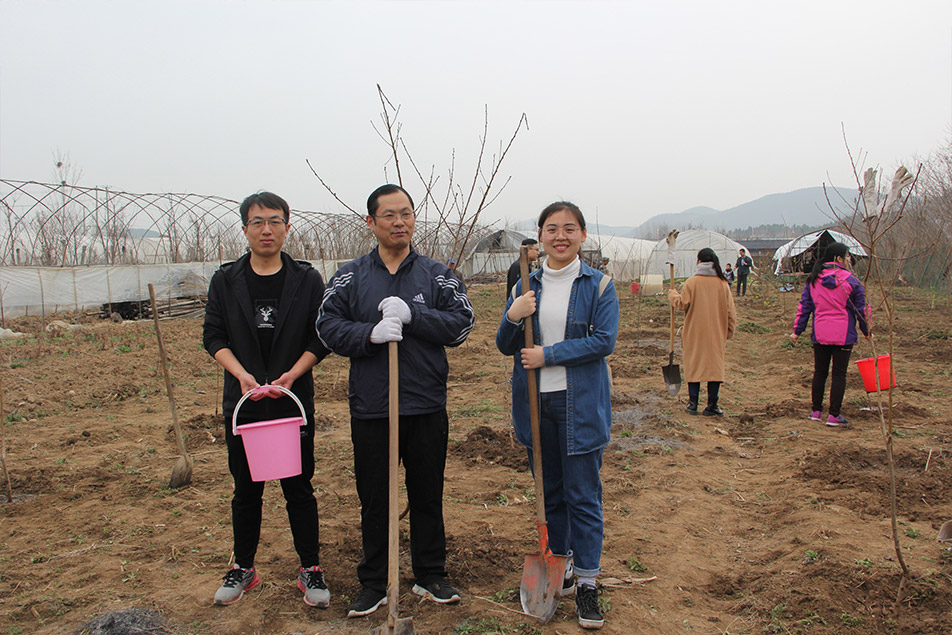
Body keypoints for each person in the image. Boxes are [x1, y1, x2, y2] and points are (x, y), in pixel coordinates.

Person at [315, 184, 475, 618]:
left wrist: (414, 315)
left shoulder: (438, 275)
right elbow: (326, 325)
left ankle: (430, 573)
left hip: (424, 404)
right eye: (389, 215)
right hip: (372, 406)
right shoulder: (350, 276)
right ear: (371, 222)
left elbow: (462, 324)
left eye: (406, 213)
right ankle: (375, 581)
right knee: (374, 496)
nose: (399, 221)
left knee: (427, 492)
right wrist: (367, 333)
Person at [203, 191, 331, 608]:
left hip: (291, 402)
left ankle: (310, 568)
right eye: (257, 222)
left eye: (275, 221)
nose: (266, 229)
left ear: (287, 227)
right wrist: (241, 375)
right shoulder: (226, 280)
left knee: (299, 486)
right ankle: (244, 567)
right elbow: (214, 336)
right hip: (245, 402)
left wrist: (294, 374)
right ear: (245, 229)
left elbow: (320, 335)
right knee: (246, 488)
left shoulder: (307, 279)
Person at [496, 201, 619, 630]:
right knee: (551, 494)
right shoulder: (526, 286)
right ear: (540, 236)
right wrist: (513, 317)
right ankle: (560, 564)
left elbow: (604, 341)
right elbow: (504, 343)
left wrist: (548, 354)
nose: (560, 236)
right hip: (536, 405)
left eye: (569, 228)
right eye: (552, 229)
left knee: (583, 495)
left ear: (583, 235)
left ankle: (587, 582)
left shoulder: (599, 286)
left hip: (580, 406)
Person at [790, 242, 869, 426]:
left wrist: (797, 332)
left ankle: (816, 411)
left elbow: (804, 308)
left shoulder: (813, 280)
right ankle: (834, 415)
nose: (850, 260)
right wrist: (867, 331)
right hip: (843, 335)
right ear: (839, 259)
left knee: (820, 373)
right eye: (848, 256)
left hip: (820, 334)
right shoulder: (851, 281)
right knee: (839, 375)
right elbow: (861, 310)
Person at [669, 248, 737, 416]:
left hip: (694, 332)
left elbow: (682, 304)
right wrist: (728, 331)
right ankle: (712, 405)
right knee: (714, 367)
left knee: (694, 365)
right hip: (716, 332)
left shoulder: (692, 283)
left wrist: (672, 295)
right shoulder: (722, 284)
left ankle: (693, 404)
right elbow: (731, 311)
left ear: (699, 261)